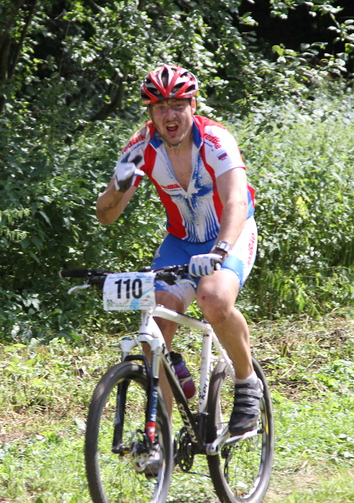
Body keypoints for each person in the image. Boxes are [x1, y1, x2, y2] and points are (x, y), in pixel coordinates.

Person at [96, 64, 261, 436]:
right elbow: (106, 215)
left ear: (192, 104)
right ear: (150, 113)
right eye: (159, 107)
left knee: (213, 298)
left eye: (177, 105)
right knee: (157, 320)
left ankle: (247, 381)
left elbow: (235, 201)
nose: (169, 115)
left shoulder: (216, 139)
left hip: (229, 232)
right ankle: (161, 439)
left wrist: (220, 250)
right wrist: (119, 187)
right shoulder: (141, 147)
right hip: (181, 241)